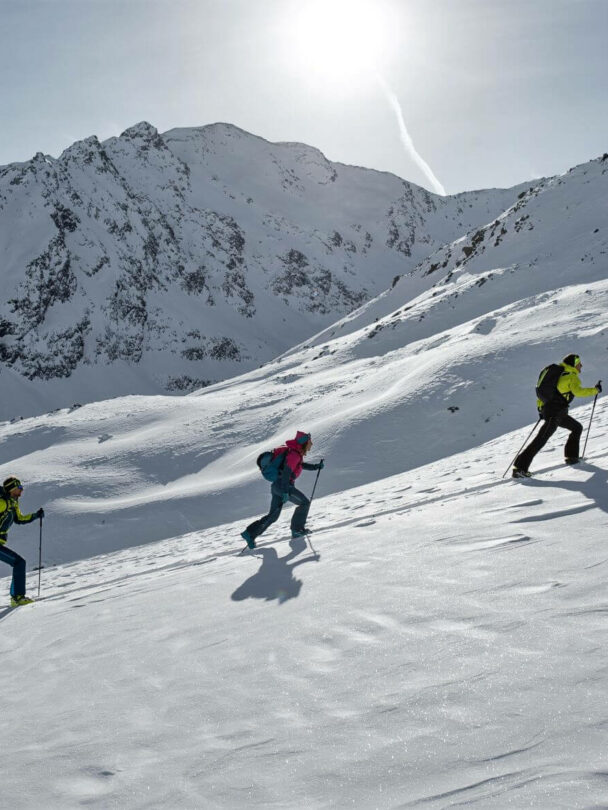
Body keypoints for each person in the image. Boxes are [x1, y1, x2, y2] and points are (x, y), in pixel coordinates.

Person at [513, 354, 601, 478]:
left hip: (556, 413)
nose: (581, 365)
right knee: (540, 440)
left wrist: (541, 410)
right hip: (556, 414)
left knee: (577, 428)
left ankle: (572, 457)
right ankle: (519, 469)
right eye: (579, 363)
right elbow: (579, 392)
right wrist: (595, 390)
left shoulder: (558, 375)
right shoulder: (571, 377)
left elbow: (543, 395)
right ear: (573, 365)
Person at [241, 431, 324, 549]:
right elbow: (286, 473)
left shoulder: (294, 453)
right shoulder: (294, 454)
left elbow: (300, 465)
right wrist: (285, 491)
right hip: (283, 486)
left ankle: (249, 534)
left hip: (277, 486)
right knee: (304, 503)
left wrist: (315, 467)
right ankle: (297, 530)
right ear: (304, 443)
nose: (311, 444)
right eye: (309, 442)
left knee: (273, 516)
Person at [0, 476, 44, 606]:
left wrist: (36, 515)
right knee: (19, 563)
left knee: (19, 563)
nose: (21, 490)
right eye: (19, 488)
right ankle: (17, 597)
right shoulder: (2, 503)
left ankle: (17, 597)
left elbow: (19, 519)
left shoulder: (13, 502)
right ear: (12, 489)